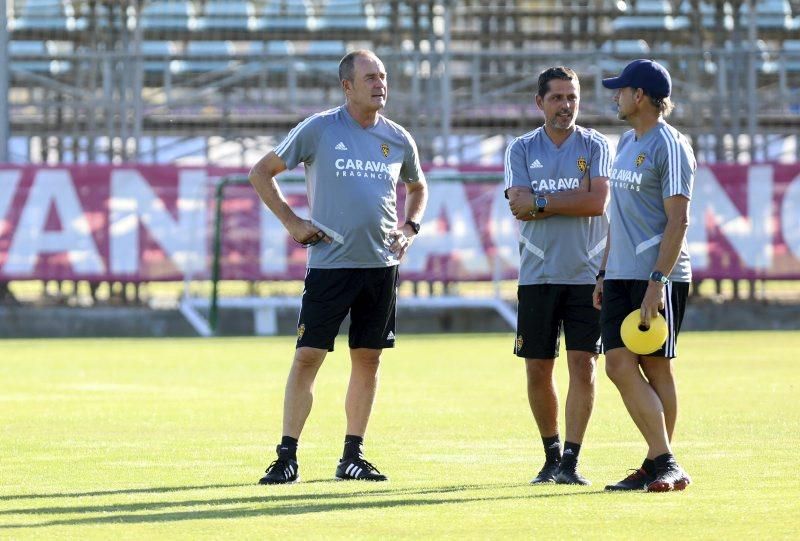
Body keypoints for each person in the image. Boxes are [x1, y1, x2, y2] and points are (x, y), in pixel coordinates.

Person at [249, 50, 428, 484]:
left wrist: (409, 226)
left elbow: (417, 185)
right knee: (308, 356)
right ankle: (286, 456)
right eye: (370, 77)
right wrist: (293, 222)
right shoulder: (320, 128)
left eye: (383, 76)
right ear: (347, 86)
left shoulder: (398, 137)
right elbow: (261, 172)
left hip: (381, 267)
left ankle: (353, 455)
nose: (379, 83)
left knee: (368, 359)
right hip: (330, 266)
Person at [505, 66, 612, 486]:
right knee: (537, 370)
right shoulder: (521, 148)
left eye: (572, 98)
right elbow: (517, 204)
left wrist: (542, 200)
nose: (566, 106)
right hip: (537, 275)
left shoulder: (596, 144)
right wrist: (569, 198)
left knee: (583, 367)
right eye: (557, 98)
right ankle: (550, 455)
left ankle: (572, 459)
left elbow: (597, 203)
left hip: (586, 275)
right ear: (540, 103)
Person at [596, 59, 696, 492]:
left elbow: (679, 222)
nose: (614, 95)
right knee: (618, 365)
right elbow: (618, 216)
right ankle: (663, 460)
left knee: (657, 369)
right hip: (620, 273)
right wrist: (603, 270)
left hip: (659, 276)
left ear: (640, 96)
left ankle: (661, 463)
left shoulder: (671, 145)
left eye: (620, 89)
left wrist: (658, 280)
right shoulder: (625, 141)